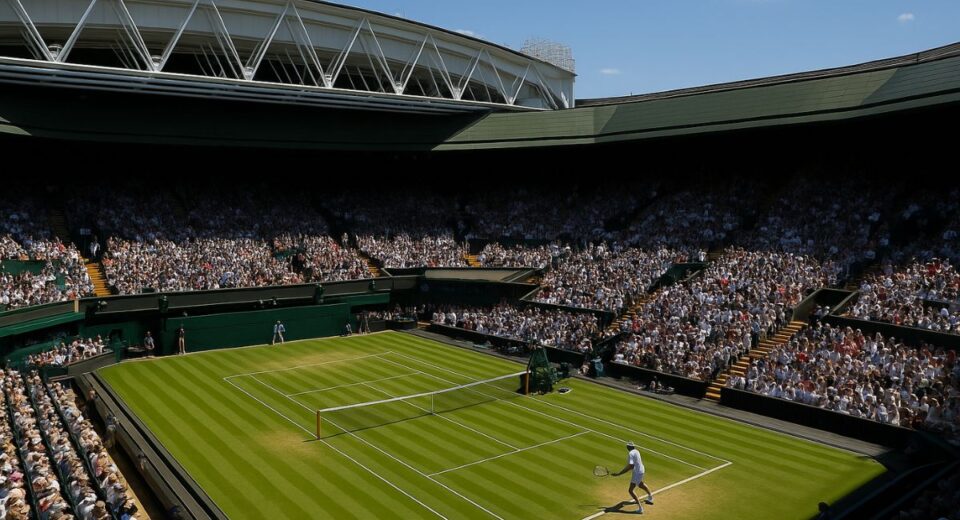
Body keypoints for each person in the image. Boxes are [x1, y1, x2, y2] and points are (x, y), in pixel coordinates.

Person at [612, 441, 654, 513]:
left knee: (631, 490)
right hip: (641, 470)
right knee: (640, 484)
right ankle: (650, 497)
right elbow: (633, 465)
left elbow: (631, 466)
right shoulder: (637, 451)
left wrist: (619, 473)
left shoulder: (630, 454)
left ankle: (640, 508)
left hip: (637, 472)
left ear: (628, 447)